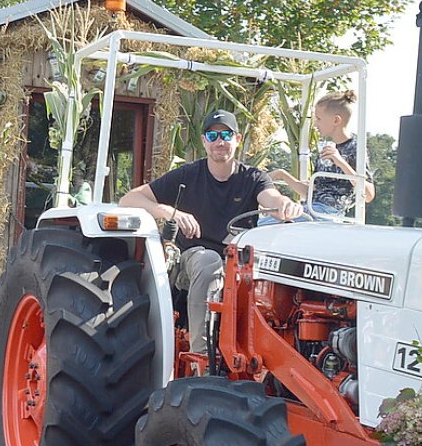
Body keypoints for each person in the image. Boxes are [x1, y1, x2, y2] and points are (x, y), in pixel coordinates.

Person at [119, 110, 301, 354]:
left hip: (238, 266)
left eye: (226, 134)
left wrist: (284, 206)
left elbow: (272, 199)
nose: (219, 141)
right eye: (212, 135)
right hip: (191, 264)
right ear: (204, 140)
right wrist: (171, 212)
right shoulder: (187, 175)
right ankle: (201, 359)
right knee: (209, 261)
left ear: (238, 139)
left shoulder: (253, 178)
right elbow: (129, 199)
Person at [266, 89, 375, 222]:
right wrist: (282, 175)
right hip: (311, 209)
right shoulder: (325, 147)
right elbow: (312, 192)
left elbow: (369, 195)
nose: (315, 124)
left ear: (336, 120)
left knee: (268, 225)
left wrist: (340, 162)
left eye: (318, 119)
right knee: (263, 220)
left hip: (328, 215)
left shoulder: (355, 148)